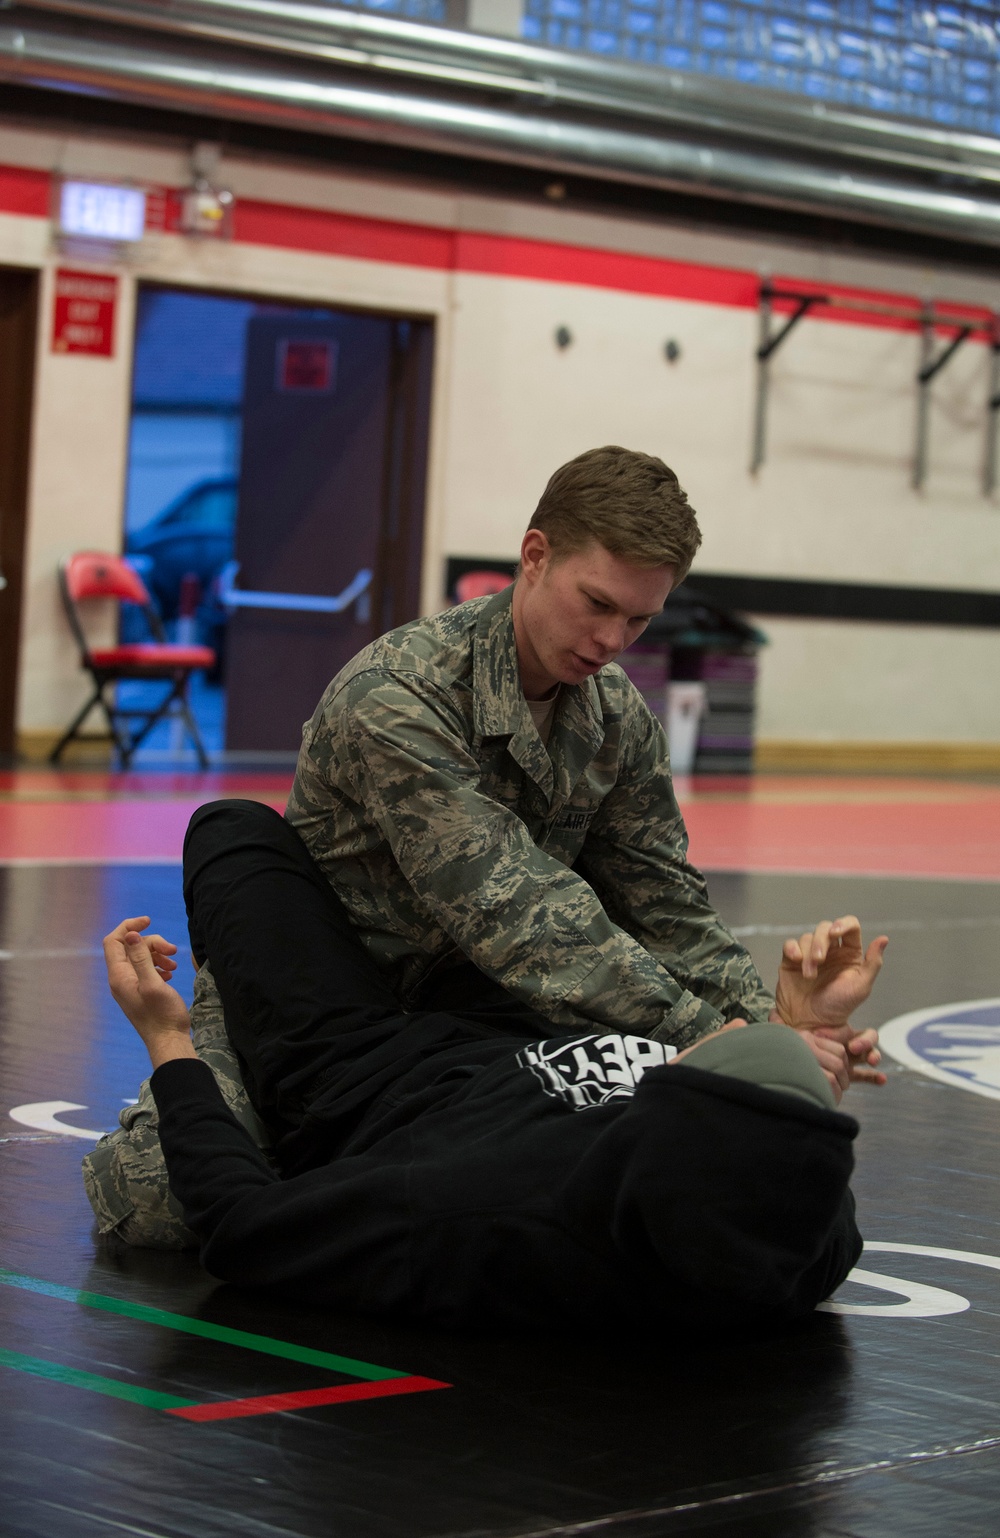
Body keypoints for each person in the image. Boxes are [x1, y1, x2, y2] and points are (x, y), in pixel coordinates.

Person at [82, 444, 885, 1250]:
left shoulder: (617, 720)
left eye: (639, 619)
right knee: (166, 1208)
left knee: (618, 1178)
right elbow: (516, 907)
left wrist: (770, 1040)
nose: (613, 639)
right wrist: (704, 1037)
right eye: (597, 603)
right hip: (318, 1006)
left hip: (478, 1017)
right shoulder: (399, 693)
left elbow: (667, 904)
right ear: (535, 556)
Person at [100, 799, 867, 1331]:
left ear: (664, 1110)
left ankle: (227, 1013)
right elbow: (782, 1147)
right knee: (531, 854)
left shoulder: (474, 1212)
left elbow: (243, 1230)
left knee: (231, 829)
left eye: (707, 1051)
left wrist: (169, 1040)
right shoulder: (808, 1228)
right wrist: (796, 1033)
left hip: (357, 1068)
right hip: (512, 1030)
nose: (723, 1026)